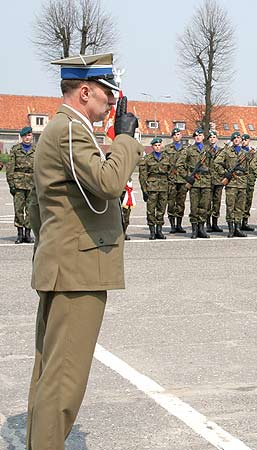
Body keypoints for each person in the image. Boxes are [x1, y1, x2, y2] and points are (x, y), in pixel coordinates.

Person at [26, 53, 143, 450]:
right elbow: (109, 182)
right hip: (77, 270)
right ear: (85, 90)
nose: (112, 103)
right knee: (63, 383)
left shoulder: (64, 129)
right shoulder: (71, 130)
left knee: (51, 376)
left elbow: (37, 211)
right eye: (108, 94)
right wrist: (126, 138)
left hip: (66, 265)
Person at [214, 131, 251, 238]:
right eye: (234, 138)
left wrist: (246, 176)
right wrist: (225, 173)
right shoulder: (226, 151)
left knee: (240, 207)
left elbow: (249, 167)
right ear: (232, 140)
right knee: (230, 206)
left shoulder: (245, 153)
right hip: (231, 183)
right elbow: (217, 163)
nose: (236, 140)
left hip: (242, 183)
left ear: (241, 140)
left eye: (238, 138)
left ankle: (237, 228)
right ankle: (231, 229)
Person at [177, 128, 212, 238]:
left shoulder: (208, 150)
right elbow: (179, 164)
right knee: (194, 207)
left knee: (204, 206)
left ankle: (202, 228)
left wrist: (211, 176)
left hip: (206, 182)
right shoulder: (189, 150)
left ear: (203, 137)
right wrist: (187, 177)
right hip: (194, 183)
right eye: (196, 136)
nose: (198, 137)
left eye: (200, 135)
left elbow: (214, 165)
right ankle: (194, 229)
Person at [6, 126, 36, 244]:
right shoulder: (15, 150)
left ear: (32, 136)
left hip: (32, 183)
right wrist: (11, 184)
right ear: (21, 137)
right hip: (18, 183)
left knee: (30, 210)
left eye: (29, 135)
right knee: (18, 209)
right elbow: (10, 168)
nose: (27, 138)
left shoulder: (36, 149)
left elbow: (39, 167)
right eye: (25, 136)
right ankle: (19, 234)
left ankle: (28, 234)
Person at [139, 138, 170, 239]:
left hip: (164, 187)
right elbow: (143, 176)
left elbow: (171, 174)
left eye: (159, 145)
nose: (157, 147)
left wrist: (170, 187)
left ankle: (159, 230)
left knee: (161, 209)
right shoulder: (147, 159)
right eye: (155, 145)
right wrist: (144, 190)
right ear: (152, 146)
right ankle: (152, 231)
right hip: (151, 188)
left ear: (161, 146)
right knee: (151, 210)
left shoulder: (167, 158)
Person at [163, 127, 187, 233]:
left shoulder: (187, 149)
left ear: (181, 136)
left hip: (182, 180)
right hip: (171, 180)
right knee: (171, 203)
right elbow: (164, 164)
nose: (176, 136)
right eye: (175, 135)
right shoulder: (167, 149)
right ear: (172, 137)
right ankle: (172, 225)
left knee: (181, 203)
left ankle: (179, 225)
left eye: (178, 134)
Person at [207, 130, 225, 232]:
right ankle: (208, 223)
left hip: (218, 180)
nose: (212, 139)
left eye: (214, 137)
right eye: (210, 137)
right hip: (208, 180)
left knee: (217, 203)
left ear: (217, 139)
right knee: (207, 203)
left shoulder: (222, 151)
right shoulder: (205, 150)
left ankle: (215, 223)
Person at [240, 133, 256, 231]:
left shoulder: (253, 152)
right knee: (239, 202)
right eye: (242, 140)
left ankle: (245, 222)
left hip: (250, 179)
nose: (243, 142)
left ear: (249, 140)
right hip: (240, 180)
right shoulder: (239, 151)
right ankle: (237, 222)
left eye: (245, 140)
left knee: (248, 201)